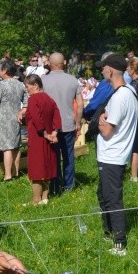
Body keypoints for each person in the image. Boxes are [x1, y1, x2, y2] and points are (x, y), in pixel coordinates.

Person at [94, 54, 138, 256]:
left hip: (113, 155)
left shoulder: (120, 97)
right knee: (104, 195)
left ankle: (119, 243)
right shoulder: (128, 91)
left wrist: (101, 120)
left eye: (103, 68)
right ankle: (109, 232)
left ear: (110, 70)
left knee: (113, 199)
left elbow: (107, 131)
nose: (101, 71)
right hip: (112, 155)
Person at [43, 52, 81, 194]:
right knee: (68, 156)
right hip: (68, 123)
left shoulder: (44, 81)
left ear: (49, 64)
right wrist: (78, 122)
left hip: (51, 127)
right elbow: (80, 103)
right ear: (64, 63)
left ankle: (54, 186)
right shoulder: (73, 80)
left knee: (53, 158)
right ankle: (69, 185)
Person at [23, 74, 61, 206]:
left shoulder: (33, 99)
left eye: (27, 86)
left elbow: (36, 118)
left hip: (38, 137)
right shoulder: (49, 99)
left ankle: (36, 199)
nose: (26, 89)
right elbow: (57, 115)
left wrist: (44, 133)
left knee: (36, 168)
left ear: (35, 86)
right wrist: (54, 132)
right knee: (47, 167)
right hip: (50, 136)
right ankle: (45, 197)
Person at [0, 58, 26, 182]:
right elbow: (26, 102)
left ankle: (8, 175)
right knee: (16, 146)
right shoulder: (20, 84)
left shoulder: (1, 84)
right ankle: (16, 172)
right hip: (16, 118)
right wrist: (22, 111)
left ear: (4, 70)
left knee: (7, 148)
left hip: (3, 119)